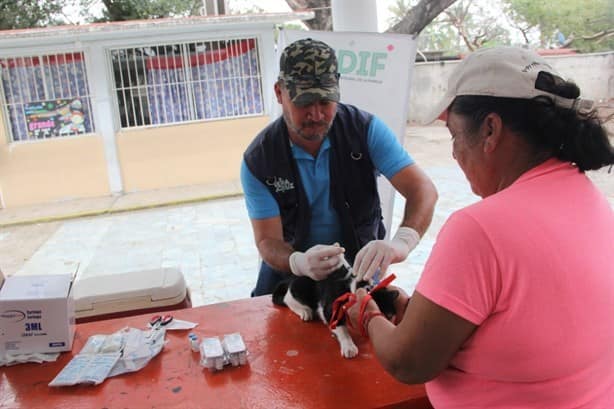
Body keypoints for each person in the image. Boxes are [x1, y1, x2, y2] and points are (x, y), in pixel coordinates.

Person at [347, 46, 614, 407]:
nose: (454, 153)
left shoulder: (479, 229)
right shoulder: (589, 197)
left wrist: (366, 311)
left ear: (490, 130)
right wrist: (412, 312)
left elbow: (407, 362)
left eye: (455, 135)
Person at [241, 38, 438, 296]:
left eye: (325, 101)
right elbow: (268, 240)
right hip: (291, 275)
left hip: (357, 266)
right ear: (279, 93)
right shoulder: (259, 160)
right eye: (303, 103)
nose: (316, 114)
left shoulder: (365, 131)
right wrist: (298, 262)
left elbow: (422, 190)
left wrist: (402, 243)